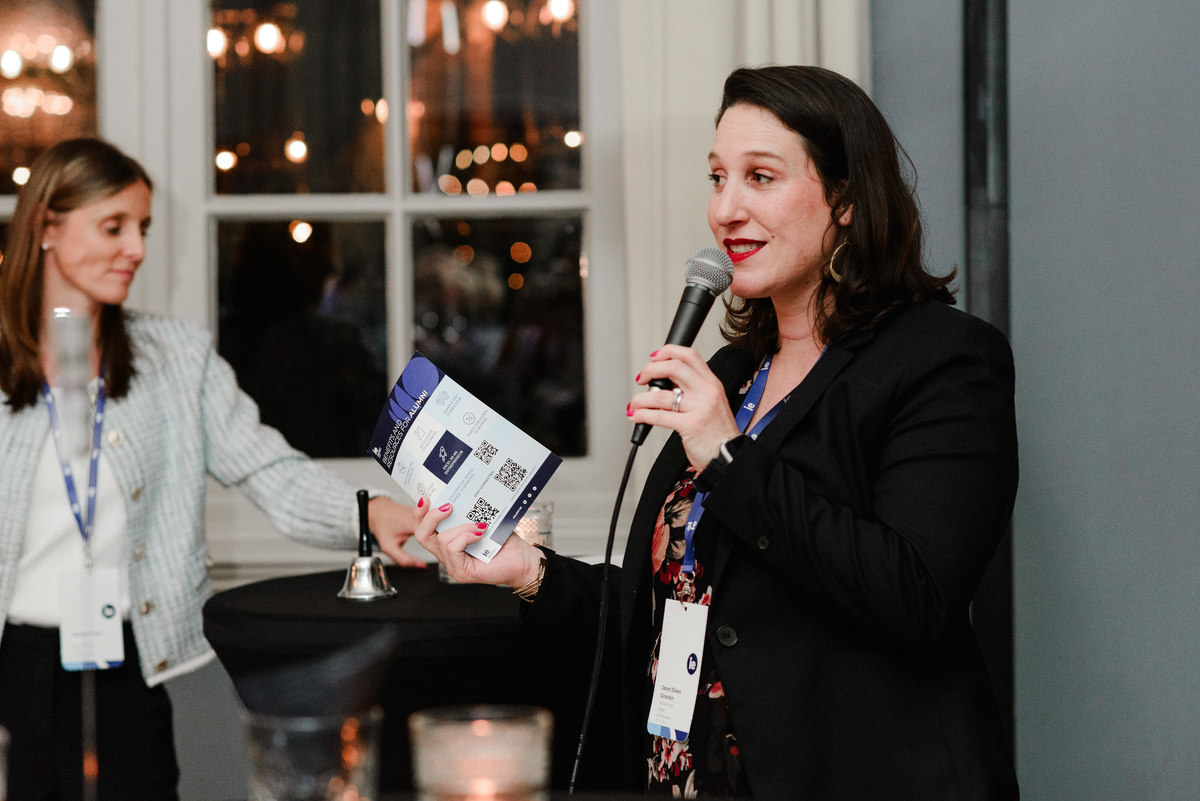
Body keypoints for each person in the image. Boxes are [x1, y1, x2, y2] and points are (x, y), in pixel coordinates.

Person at [415, 65, 1020, 799]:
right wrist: (528, 570)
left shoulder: (944, 359)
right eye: (716, 178)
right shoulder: (734, 370)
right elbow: (685, 597)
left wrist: (729, 456)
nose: (726, 208)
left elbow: (915, 595)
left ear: (849, 201)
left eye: (760, 177)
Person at [0, 138, 423, 801]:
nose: (135, 248)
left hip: (126, 659)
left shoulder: (176, 357)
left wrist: (370, 513)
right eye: (112, 227)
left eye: (140, 227)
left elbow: (268, 468)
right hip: (13, 664)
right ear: (46, 227)